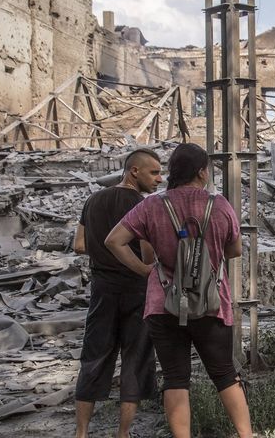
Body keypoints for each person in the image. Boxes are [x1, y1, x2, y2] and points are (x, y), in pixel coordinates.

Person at [105, 143, 252, 438]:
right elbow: (234, 250)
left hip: (164, 304)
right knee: (224, 374)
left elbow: (113, 241)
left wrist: (144, 270)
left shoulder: (151, 205)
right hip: (211, 303)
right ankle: (246, 436)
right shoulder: (219, 204)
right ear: (201, 172)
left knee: (175, 378)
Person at [73, 149, 163, 438]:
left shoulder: (93, 200)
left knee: (94, 359)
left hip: (102, 291)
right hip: (136, 292)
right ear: (133, 171)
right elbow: (149, 254)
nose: (159, 180)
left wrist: (104, 251)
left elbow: (78, 245)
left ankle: (81, 433)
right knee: (135, 361)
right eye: (154, 173)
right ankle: (123, 434)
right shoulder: (143, 205)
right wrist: (145, 268)